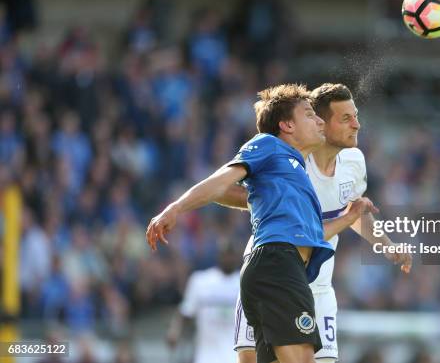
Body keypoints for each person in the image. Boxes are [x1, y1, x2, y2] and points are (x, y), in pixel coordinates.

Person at [146, 83, 373, 363]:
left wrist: (351, 218)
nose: (319, 122)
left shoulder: (296, 173)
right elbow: (221, 181)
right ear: (287, 125)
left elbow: (314, 232)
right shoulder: (268, 145)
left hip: (287, 270)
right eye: (309, 115)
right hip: (277, 265)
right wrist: (176, 208)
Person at [222, 83, 412, 363]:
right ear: (322, 123)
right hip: (273, 276)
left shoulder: (354, 161)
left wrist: (386, 244)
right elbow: (224, 188)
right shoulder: (290, 157)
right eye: (345, 118)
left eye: (356, 116)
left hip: (319, 288)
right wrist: (272, 202)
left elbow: (353, 210)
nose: (357, 125)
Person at [166, 239, 241, 363]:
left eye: (230, 254)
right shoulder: (200, 281)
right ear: (218, 255)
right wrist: (175, 331)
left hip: (236, 357)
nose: (228, 258)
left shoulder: (244, 283)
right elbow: (186, 312)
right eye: (225, 254)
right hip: (206, 356)